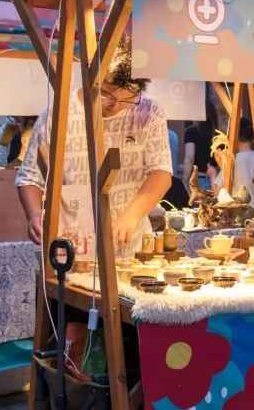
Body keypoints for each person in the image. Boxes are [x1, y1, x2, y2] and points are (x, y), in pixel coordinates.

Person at [16, 36, 172, 258]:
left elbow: (161, 173)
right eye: (107, 94)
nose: (115, 106)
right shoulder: (57, 114)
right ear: (91, 77)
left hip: (131, 249)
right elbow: (30, 177)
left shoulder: (149, 112)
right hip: (71, 247)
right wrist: (33, 215)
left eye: (127, 99)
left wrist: (133, 214)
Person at [213, 121, 254, 216]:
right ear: (253, 138)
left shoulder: (233, 160)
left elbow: (218, 191)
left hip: (238, 214)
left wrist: (213, 173)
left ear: (234, 136)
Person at [182, 119, 213, 185]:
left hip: (197, 179)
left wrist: (185, 180)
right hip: (215, 181)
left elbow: (189, 157)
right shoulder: (217, 133)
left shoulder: (191, 132)